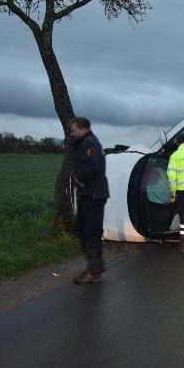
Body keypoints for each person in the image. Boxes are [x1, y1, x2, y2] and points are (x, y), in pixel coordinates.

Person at [69, 117, 109, 283]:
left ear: (83, 129)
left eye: (73, 130)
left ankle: (94, 272)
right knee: (81, 229)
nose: (71, 134)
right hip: (89, 194)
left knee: (90, 232)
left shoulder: (89, 144)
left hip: (93, 195)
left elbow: (93, 165)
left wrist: (79, 177)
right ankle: (96, 265)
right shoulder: (86, 142)